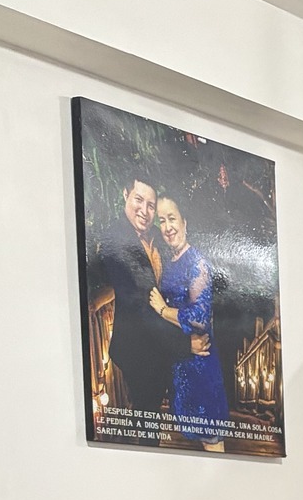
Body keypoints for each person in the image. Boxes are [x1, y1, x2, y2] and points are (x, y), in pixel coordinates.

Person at [149, 195, 232, 452]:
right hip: (182, 363)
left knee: (211, 442)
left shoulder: (197, 262)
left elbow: (200, 317)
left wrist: (163, 310)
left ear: (184, 221)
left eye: (172, 218)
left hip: (200, 365)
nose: (167, 227)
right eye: (162, 221)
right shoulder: (170, 261)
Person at [96, 174, 181, 419]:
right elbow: (137, 300)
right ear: (126, 195)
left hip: (161, 342)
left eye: (151, 205)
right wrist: (185, 343)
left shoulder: (158, 236)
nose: (144, 210)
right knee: (147, 415)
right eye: (138, 200)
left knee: (158, 413)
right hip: (137, 347)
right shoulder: (114, 238)